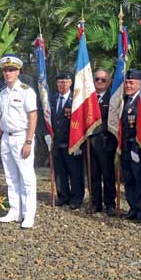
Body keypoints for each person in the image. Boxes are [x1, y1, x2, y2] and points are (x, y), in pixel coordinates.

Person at [0, 54, 38, 229]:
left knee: (26, 177)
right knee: (11, 176)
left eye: (11, 70)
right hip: (6, 137)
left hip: (21, 137)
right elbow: (2, 117)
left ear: (18, 71)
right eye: (6, 70)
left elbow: (33, 116)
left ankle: (28, 214)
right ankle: (15, 210)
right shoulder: (3, 92)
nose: (8, 73)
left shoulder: (26, 91)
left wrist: (28, 141)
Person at [120, 69, 141, 223]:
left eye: (132, 83)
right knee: (129, 180)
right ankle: (133, 208)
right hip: (126, 148)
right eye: (127, 82)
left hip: (139, 149)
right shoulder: (126, 101)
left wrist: (136, 148)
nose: (128, 85)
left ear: (140, 84)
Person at [49, 72, 84, 209]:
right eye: (59, 82)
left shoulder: (76, 99)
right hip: (57, 142)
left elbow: (81, 122)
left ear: (70, 83)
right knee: (60, 172)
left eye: (65, 82)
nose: (62, 85)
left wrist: (79, 143)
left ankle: (76, 198)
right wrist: (47, 135)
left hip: (72, 142)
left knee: (75, 173)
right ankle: (63, 196)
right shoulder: (52, 98)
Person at [88, 68, 117, 216]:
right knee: (93, 175)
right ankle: (96, 203)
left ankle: (110, 203)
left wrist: (94, 129)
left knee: (107, 175)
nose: (99, 82)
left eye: (103, 80)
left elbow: (112, 120)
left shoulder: (113, 98)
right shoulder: (88, 97)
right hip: (90, 143)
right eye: (97, 79)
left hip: (106, 141)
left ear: (109, 82)